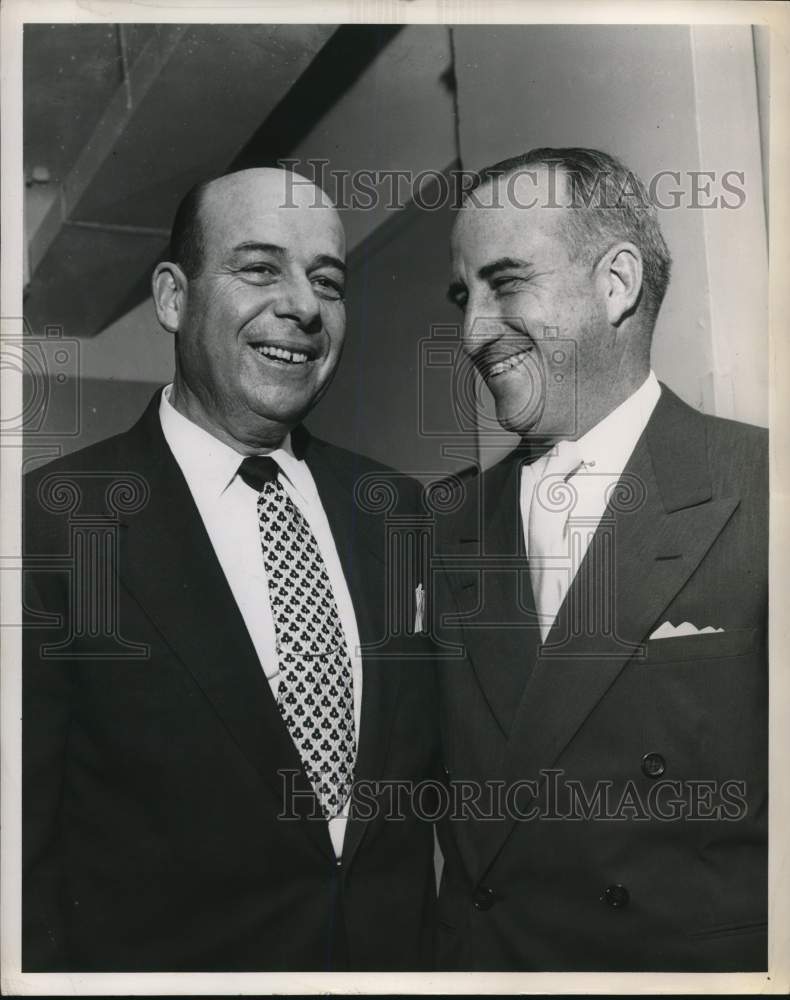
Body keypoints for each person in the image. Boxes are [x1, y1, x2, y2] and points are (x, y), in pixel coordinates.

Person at [23, 168, 438, 972]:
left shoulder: (398, 512)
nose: (305, 308)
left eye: (328, 280)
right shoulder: (52, 525)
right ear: (173, 298)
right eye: (259, 268)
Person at [433, 148, 767, 971]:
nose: (473, 330)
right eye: (464, 295)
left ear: (616, 285)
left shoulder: (762, 489)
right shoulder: (438, 525)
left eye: (506, 283)